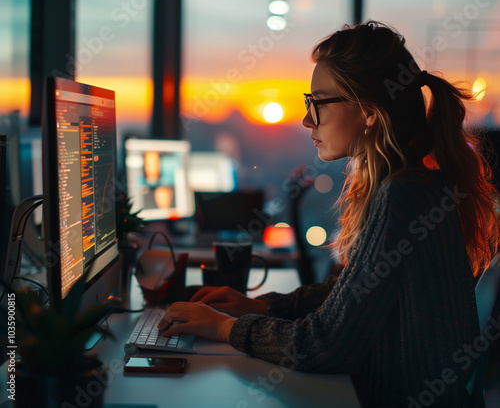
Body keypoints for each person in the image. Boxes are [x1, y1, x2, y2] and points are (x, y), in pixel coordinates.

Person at [158, 21, 499, 406]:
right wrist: (260, 305)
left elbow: (322, 346)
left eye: (318, 103)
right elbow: (349, 293)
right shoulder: (412, 184)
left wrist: (225, 328)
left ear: (369, 112)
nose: (307, 120)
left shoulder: (405, 195)